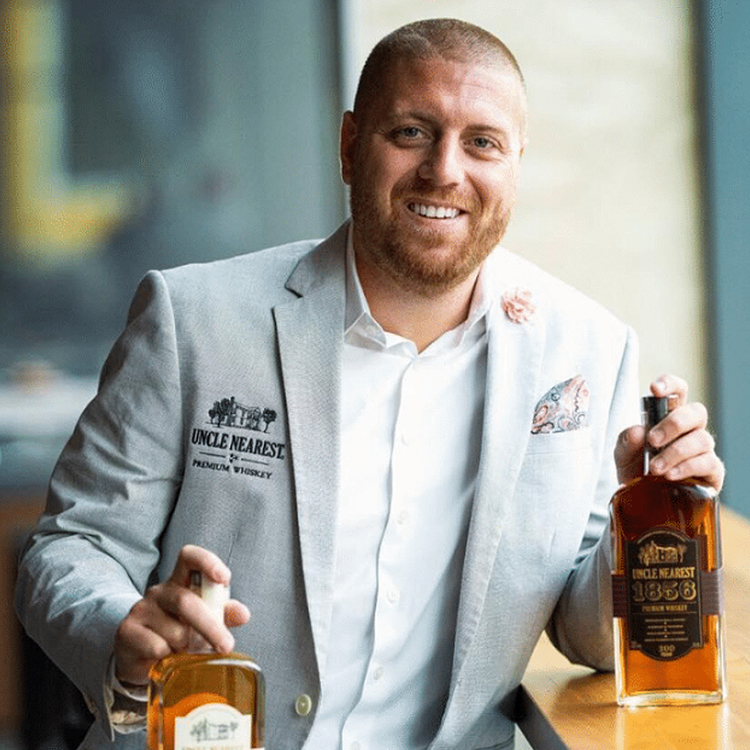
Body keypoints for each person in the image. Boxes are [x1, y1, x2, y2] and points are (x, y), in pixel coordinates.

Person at [16, 18, 723, 750]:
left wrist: (658, 525)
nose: (444, 170)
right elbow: (71, 546)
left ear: (516, 164)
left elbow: (587, 633)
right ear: (351, 146)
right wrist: (122, 633)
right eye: (412, 132)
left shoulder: (588, 351)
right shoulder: (192, 319)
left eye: (482, 142)